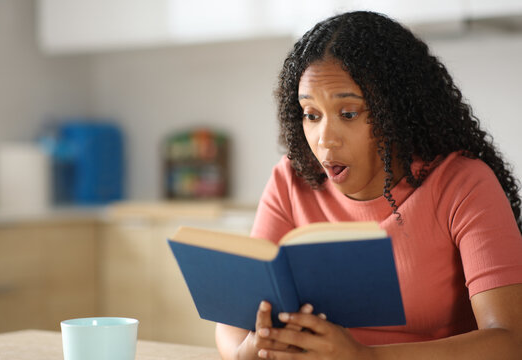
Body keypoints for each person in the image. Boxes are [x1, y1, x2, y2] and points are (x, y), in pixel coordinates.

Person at [215, 11, 522, 360]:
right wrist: (244, 355)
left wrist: (367, 357)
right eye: (311, 115)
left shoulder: (463, 183)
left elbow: (510, 341)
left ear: (395, 111)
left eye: (348, 113)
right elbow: (235, 322)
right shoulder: (291, 180)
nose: (324, 141)